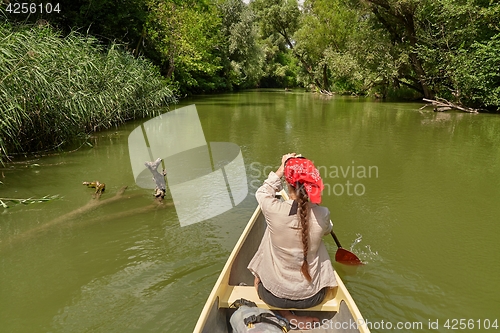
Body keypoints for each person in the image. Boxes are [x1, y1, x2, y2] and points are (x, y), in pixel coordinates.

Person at [248, 153, 338, 326]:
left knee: (270, 232)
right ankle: (293, 315)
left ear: (288, 184)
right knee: (316, 242)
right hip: (314, 297)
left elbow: (262, 191)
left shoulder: (273, 209)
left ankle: (287, 316)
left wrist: (282, 168)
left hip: (272, 295)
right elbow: (327, 230)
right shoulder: (323, 214)